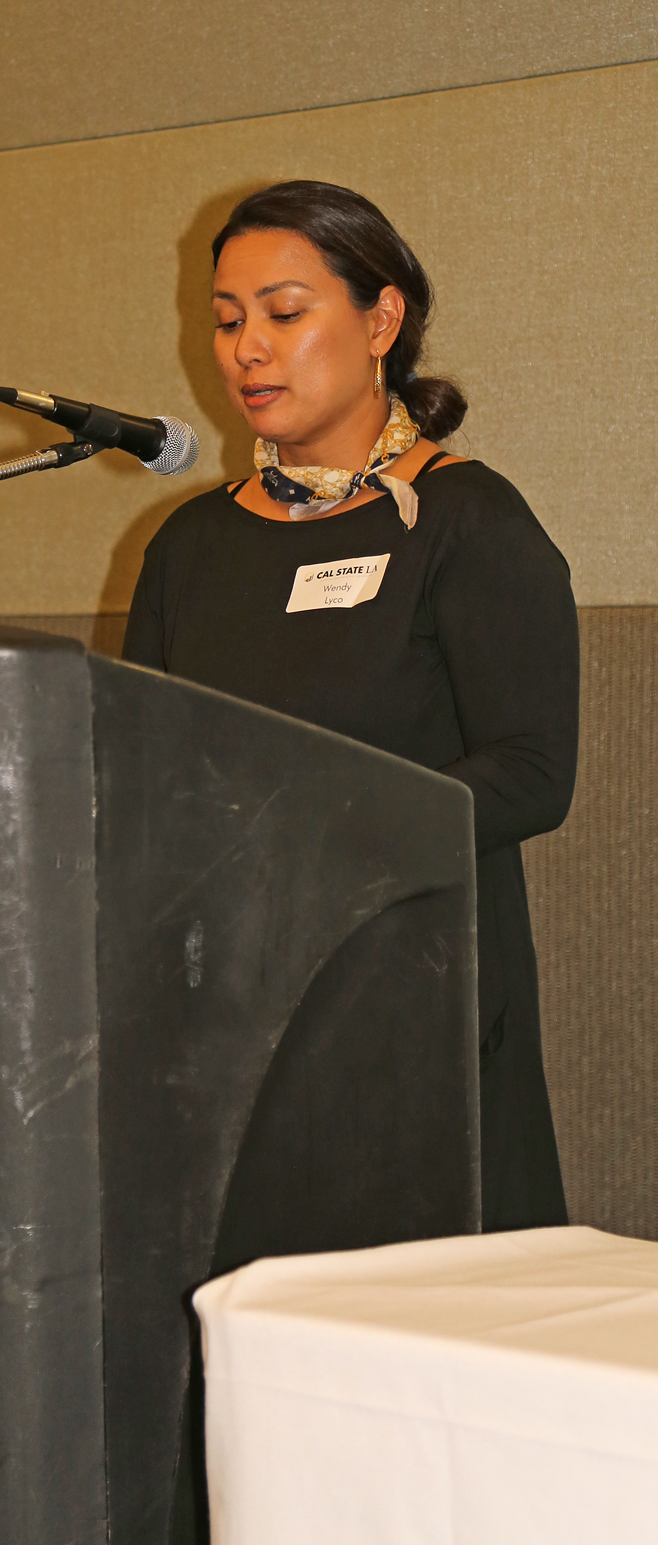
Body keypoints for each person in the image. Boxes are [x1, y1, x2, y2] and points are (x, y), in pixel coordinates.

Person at [123, 179, 578, 1231]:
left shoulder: (465, 521)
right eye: (228, 320)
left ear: (381, 322)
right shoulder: (190, 545)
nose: (245, 350)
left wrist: (311, 831)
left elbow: (529, 772)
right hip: (228, 1018)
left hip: (406, 1008)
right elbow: (134, 764)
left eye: (284, 314)